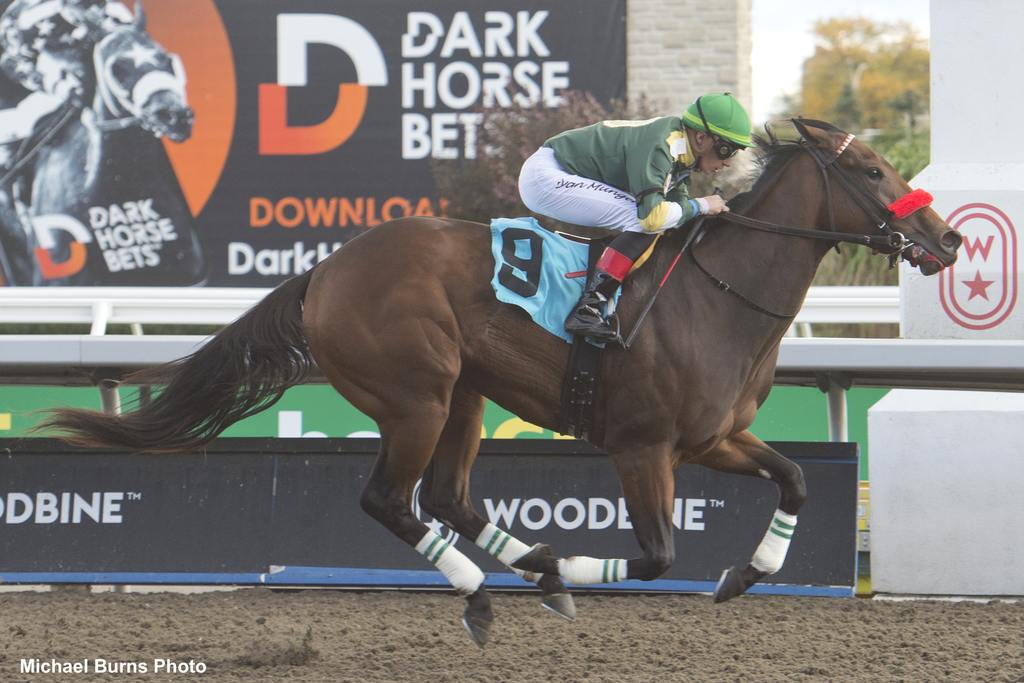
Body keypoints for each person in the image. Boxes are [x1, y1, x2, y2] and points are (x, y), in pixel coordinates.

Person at [518, 92, 753, 342]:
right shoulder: (663, 145)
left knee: (665, 218)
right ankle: (588, 310)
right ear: (701, 137)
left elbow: (679, 211)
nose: (728, 162)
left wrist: (702, 212)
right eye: (726, 149)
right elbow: (652, 218)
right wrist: (702, 205)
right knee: (648, 220)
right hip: (546, 177)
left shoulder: (681, 154)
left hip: (556, 172)